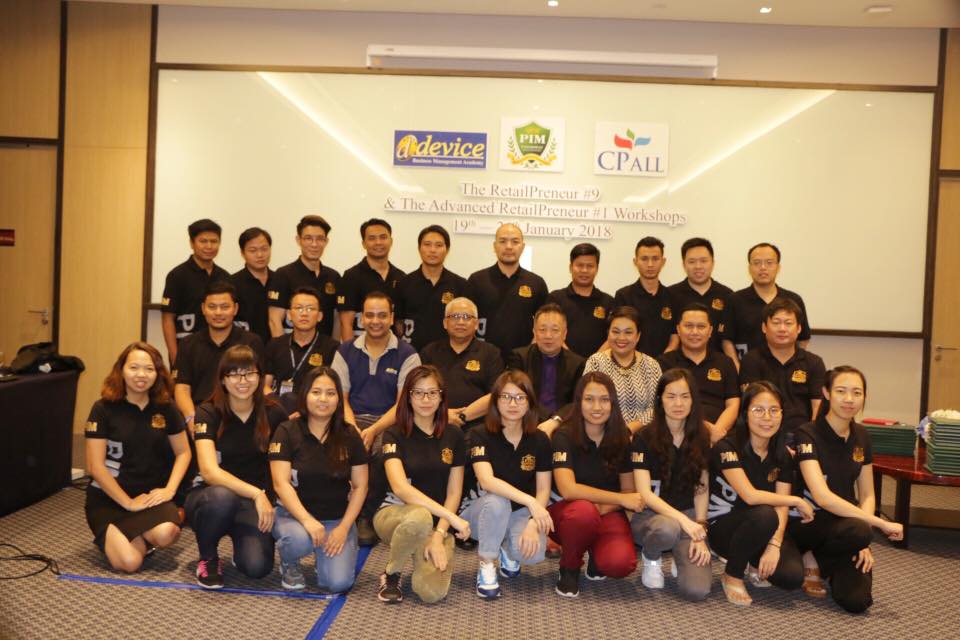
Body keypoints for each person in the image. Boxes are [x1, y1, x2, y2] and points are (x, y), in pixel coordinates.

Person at [789, 366, 904, 613]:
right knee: (857, 530)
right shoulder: (807, 434)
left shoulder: (862, 435)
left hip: (845, 526)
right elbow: (822, 497)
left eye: (857, 393)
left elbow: (867, 493)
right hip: (809, 521)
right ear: (826, 393)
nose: (849, 399)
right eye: (841, 391)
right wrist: (879, 525)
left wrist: (863, 540)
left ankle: (821, 560)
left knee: (856, 601)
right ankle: (808, 555)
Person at [185, 345, 288, 588]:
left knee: (257, 567)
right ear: (222, 379)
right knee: (223, 498)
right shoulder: (207, 412)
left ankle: (239, 546)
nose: (243, 381)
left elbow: (285, 463)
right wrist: (257, 494)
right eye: (234, 374)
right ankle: (208, 557)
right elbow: (209, 471)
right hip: (210, 497)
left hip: (252, 503)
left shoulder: (274, 412)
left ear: (260, 376)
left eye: (249, 373)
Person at [83, 342, 191, 572]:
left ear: (158, 373)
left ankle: (134, 536)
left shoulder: (167, 408)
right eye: (134, 367)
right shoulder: (102, 409)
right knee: (129, 563)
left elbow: (184, 452)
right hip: (109, 498)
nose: (141, 375)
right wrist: (128, 503)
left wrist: (169, 490)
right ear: (121, 370)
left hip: (150, 497)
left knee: (167, 533)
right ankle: (126, 536)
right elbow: (95, 466)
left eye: (149, 369)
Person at [707, 381, 815, 606]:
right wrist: (796, 500)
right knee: (765, 514)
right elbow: (750, 496)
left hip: (764, 526)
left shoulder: (782, 453)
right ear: (745, 414)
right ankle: (733, 574)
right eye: (758, 410)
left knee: (791, 577)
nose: (767, 417)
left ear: (782, 414)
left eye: (774, 410)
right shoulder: (726, 447)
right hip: (725, 528)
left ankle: (752, 560)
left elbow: (781, 507)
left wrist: (774, 544)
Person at [374, 365, 470, 604]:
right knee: (419, 518)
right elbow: (400, 488)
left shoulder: (454, 435)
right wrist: (453, 518)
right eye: (418, 393)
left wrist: (439, 534)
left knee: (431, 592)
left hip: (437, 522)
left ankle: (431, 546)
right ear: (408, 396)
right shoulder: (394, 434)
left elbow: (454, 492)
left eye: (432, 393)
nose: (426, 399)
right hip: (395, 514)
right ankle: (392, 572)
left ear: (441, 397)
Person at [330, 291, 421, 544]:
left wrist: (374, 430)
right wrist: (352, 429)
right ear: (362, 318)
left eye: (382, 315)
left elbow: (403, 403)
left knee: (382, 451)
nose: (375, 321)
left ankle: (366, 516)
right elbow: (340, 398)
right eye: (369, 315)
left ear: (391, 318)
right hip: (351, 419)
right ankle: (336, 510)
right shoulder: (345, 351)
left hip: (390, 422)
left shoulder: (408, 354)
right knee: (338, 445)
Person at [269, 367, 369, 593]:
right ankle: (290, 562)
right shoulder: (287, 431)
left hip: (335, 519)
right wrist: (307, 521)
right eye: (316, 392)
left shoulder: (350, 435)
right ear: (305, 395)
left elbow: (361, 486)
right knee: (299, 540)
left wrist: (344, 527)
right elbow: (280, 484)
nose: (323, 399)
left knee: (337, 583)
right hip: (293, 517)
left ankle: (324, 556)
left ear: (339, 399)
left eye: (330, 393)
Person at [549, 372, 644, 598]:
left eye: (604, 400)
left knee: (620, 564)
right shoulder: (563, 436)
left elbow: (629, 491)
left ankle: (595, 554)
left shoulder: (622, 438)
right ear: (579, 402)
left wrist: (602, 508)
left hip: (607, 512)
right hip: (569, 514)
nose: (597, 407)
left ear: (613, 403)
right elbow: (568, 490)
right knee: (583, 513)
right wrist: (618, 499)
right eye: (589, 399)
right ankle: (570, 567)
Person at [460, 370, 553, 599]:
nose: (513, 404)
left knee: (533, 554)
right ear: (495, 401)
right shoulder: (479, 434)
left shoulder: (540, 439)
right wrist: (531, 502)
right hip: (480, 510)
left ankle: (505, 547)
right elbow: (487, 481)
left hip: (518, 511)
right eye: (506, 397)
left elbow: (543, 489)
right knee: (497, 502)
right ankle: (487, 562)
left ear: (530, 402)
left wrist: (533, 523)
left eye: (520, 397)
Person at [630, 368, 712, 601]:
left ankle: (680, 556)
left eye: (685, 396)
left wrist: (700, 529)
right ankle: (651, 557)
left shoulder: (702, 436)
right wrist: (685, 522)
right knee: (668, 528)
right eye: (671, 396)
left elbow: (701, 489)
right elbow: (645, 494)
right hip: (651, 517)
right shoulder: (644, 437)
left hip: (689, 517)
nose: (678, 403)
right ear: (660, 400)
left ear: (693, 400)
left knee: (697, 590)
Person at [173, 280, 264, 433]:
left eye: (225, 307)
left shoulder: (251, 342)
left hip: (239, 415)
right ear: (203, 308)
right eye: (212, 307)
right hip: (199, 414)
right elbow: (182, 388)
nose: (218, 313)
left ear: (235, 309)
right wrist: (191, 418)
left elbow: (259, 383)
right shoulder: (188, 344)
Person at [738, 297, 826, 434]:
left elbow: (817, 407)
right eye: (776, 323)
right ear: (764, 327)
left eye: (788, 323)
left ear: (799, 328)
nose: (782, 329)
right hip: (764, 433)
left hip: (802, 434)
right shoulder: (751, 360)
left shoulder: (813, 362)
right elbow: (750, 406)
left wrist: (811, 437)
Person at [657, 303, 739, 443]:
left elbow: (733, 403)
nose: (694, 332)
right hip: (677, 434)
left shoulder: (725, 362)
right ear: (678, 329)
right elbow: (660, 404)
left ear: (710, 331)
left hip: (720, 435)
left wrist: (716, 432)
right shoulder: (664, 363)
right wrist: (705, 429)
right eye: (688, 326)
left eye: (701, 326)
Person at [419, 297, 504, 430]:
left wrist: (462, 417)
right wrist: (442, 415)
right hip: (434, 424)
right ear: (445, 323)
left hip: (477, 429)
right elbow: (418, 393)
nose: (460, 322)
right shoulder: (429, 352)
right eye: (455, 317)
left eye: (466, 317)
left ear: (476, 324)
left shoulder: (491, 353)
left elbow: (496, 394)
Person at [721, 242, 811, 365]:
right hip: (747, 369)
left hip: (785, 370)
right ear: (749, 267)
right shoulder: (734, 300)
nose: (763, 267)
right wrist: (737, 369)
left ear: (778, 267)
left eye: (769, 262)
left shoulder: (794, 299)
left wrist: (794, 365)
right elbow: (727, 341)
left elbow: (803, 339)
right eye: (757, 262)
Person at [467, 223, 548, 358]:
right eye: (503, 241)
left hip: (524, 358)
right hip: (484, 357)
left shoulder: (536, 283)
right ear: (495, 246)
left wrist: (531, 349)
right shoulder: (477, 281)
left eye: (515, 242)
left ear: (522, 247)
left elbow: (545, 322)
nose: (509, 246)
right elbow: (466, 321)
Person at [505, 303, 585, 435]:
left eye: (555, 330)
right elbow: (517, 394)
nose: (548, 335)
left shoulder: (578, 364)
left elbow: (579, 401)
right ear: (534, 332)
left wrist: (555, 421)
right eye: (542, 330)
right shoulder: (519, 357)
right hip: (525, 423)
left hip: (563, 426)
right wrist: (546, 420)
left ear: (565, 334)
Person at [161, 219, 229, 366]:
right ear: (192, 243)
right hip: (186, 351)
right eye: (203, 241)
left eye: (214, 241)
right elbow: (167, 319)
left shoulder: (225, 276)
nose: (209, 246)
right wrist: (175, 358)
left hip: (219, 352)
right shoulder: (177, 275)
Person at [583, 306, 662, 433]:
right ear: (608, 333)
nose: (621, 338)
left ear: (638, 336)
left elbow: (658, 406)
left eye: (628, 332)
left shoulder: (651, 365)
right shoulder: (596, 362)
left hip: (644, 435)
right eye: (616, 331)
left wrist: (632, 428)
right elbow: (587, 401)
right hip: (603, 434)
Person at [395, 224, 472, 351]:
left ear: (447, 249)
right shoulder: (404, 283)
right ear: (419, 248)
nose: (432, 250)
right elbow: (397, 323)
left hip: (449, 354)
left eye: (439, 245)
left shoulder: (460, 285)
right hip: (412, 353)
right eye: (427, 244)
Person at [267, 215, 340, 338]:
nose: (314, 244)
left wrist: (335, 347)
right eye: (308, 238)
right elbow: (274, 320)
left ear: (326, 241)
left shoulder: (333, 276)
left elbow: (337, 319)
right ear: (298, 240)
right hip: (292, 347)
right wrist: (282, 348)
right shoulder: (283, 274)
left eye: (320, 239)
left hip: (326, 347)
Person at [263, 286, 340, 399]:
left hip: (315, 405)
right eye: (299, 308)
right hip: (278, 404)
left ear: (319, 316)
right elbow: (264, 385)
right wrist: (277, 404)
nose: (304, 313)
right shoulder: (275, 345)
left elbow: (334, 389)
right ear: (289, 314)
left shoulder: (332, 348)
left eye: (310, 309)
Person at [338, 218, 405, 342]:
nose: (378, 242)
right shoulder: (351, 276)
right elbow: (346, 324)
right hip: (361, 348)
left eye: (383, 237)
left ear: (391, 241)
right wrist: (350, 352)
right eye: (372, 238)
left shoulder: (401, 277)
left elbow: (400, 323)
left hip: (393, 349)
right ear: (363, 243)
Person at [546, 243, 615, 358]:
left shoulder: (608, 302)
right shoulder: (555, 299)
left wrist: (594, 361)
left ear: (597, 269)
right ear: (570, 267)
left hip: (598, 365)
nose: (584, 270)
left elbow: (613, 336)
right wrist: (573, 360)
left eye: (590, 266)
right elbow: (550, 333)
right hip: (562, 362)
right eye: (579, 265)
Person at [613, 236, 678, 356]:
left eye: (655, 259)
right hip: (630, 362)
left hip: (664, 363)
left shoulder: (672, 296)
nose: (650, 264)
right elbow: (618, 336)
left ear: (663, 262)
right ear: (635, 262)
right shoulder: (623, 296)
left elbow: (675, 337)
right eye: (644, 259)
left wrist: (662, 361)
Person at [667, 237, 732, 353]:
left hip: (718, 362)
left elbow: (728, 340)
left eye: (703, 261)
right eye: (692, 262)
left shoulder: (727, 295)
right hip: (678, 362)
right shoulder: (670, 295)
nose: (698, 266)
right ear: (684, 264)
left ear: (712, 263)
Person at [230, 227, 274, 345]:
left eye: (264, 249)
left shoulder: (280, 280)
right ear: (242, 253)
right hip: (243, 349)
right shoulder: (231, 283)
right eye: (253, 250)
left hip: (275, 348)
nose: (260, 255)